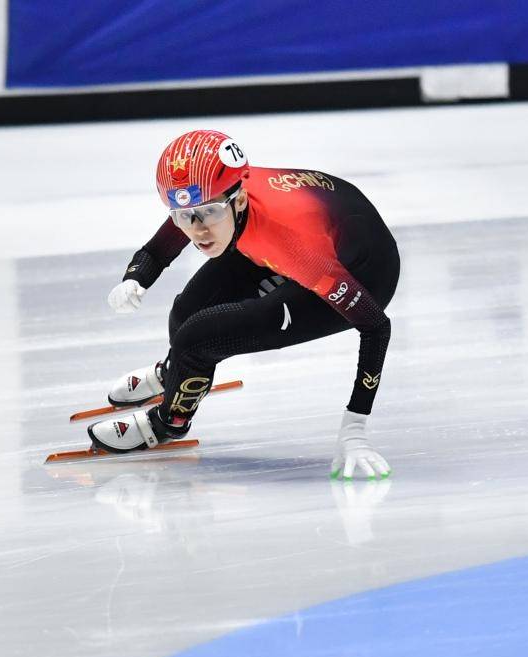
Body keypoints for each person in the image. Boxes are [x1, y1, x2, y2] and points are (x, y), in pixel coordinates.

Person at [87, 129, 400, 480]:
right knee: (186, 313)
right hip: (293, 237)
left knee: (198, 340)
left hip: (361, 271)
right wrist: (135, 278)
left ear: (238, 200)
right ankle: (175, 375)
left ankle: (167, 423)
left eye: (207, 214)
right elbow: (159, 247)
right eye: (182, 215)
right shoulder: (212, 197)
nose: (198, 230)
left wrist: (355, 425)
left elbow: (376, 326)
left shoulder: (296, 246)